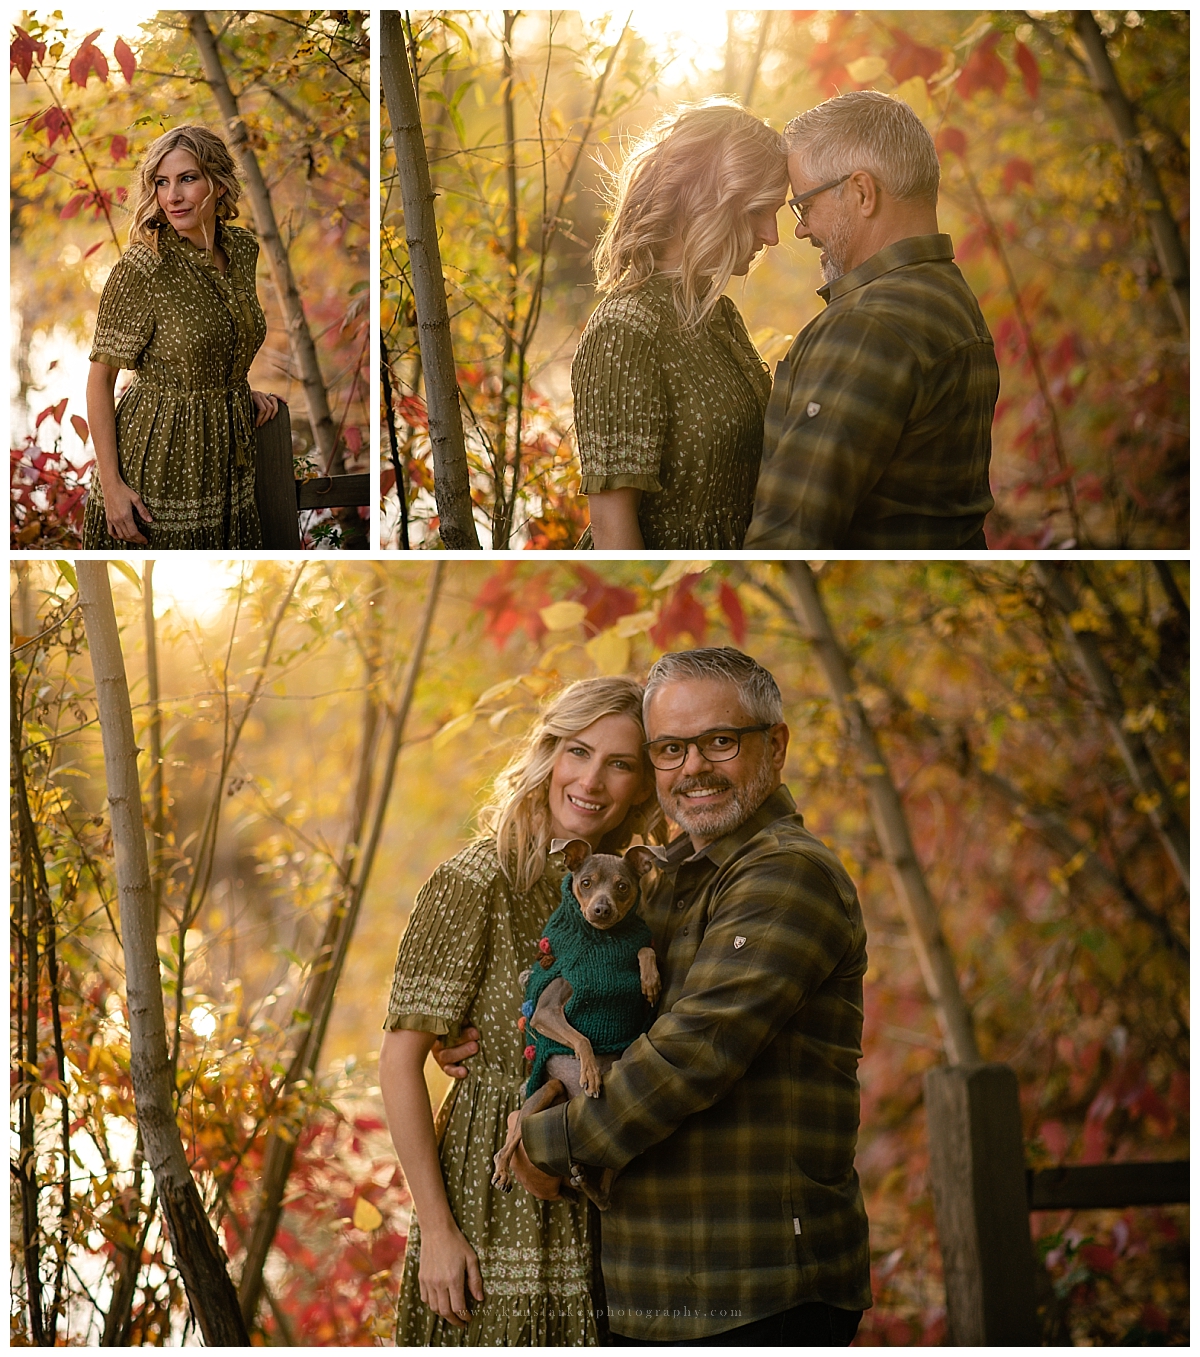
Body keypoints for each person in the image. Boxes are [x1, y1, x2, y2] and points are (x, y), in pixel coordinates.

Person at [500, 647, 872, 1345]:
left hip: (755, 1288)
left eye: (720, 741)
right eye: (670, 748)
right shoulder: (668, 874)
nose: (693, 767)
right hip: (656, 1283)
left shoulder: (788, 874)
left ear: (776, 745)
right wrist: (487, 1028)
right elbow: (595, 996)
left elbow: (691, 1052)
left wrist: (543, 1140)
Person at [378, 677, 662, 1345]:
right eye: (578, 751)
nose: (592, 780)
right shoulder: (476, 881)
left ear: (642, 784)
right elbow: (399, 1061)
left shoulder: (631, 893)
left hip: (612, 1199)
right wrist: (440, 1232)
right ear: (547, 754)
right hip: (495, 1203)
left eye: (619, 763)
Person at [744, 90, 999, 549]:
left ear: (862, 192)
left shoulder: (867, 325)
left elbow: (787, 542)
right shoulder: (950, 298)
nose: (800, 229)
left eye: (804, 205)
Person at [572, 99, 789, 550]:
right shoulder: (626, 330)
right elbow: (614, 532)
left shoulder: (717, 316)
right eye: (758, 211)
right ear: (705, 201)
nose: (772, 235)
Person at [82, 124, 280, 549]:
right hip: (159, 457)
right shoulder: (144, 266)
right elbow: (100, 381)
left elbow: (224, 337)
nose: (172, 196)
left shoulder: (242, 249)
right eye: (161, 183)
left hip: (227, 453)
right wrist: (113, 487)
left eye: (187, 179)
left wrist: (237, 388)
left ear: (219, 183)